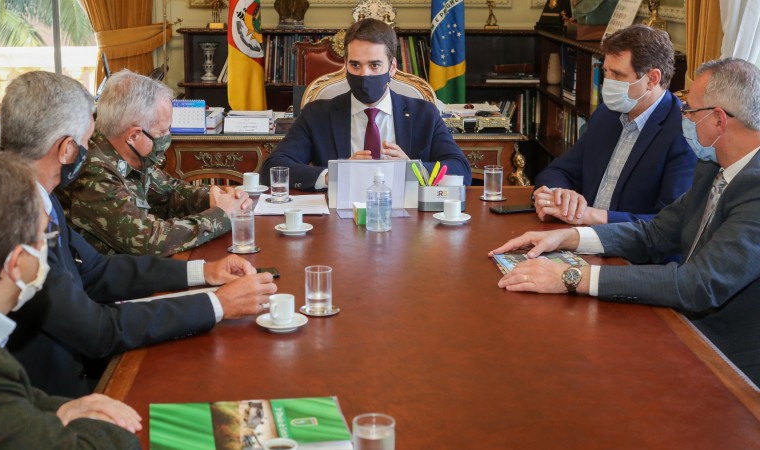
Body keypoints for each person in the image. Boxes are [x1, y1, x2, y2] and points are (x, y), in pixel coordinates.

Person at [0, 71, 277, 397]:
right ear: (65, 150)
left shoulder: (34, 191)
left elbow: (95, 270)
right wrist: (215, 305)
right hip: (52, 395)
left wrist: (205, 271)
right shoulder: (12, 216)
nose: (92, 148)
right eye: (88, 141)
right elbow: (98, 330)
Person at [490, 58, 760, 385]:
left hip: (728, 365)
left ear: (718, 120)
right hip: (674, 326)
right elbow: (655, 233)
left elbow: (699, 284)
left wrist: (573, 276)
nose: (683, 119)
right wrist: (569, 238)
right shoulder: (713, 167)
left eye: (690, 111)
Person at [0, 151, 140, 449]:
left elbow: (13, 398)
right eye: (43, 236)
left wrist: (62, 409)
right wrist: (109, 425)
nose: (49, 247)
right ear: (16, 262)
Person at [260, 18, 472, 191]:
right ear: (345, 65)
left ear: (392, 67)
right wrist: (335, 174)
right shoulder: (317, 114)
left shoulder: (424, 113)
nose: (364, 74)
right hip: (337, 223)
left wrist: (413, 170)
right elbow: (273, 167)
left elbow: (461, 169)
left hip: (410, 224)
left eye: (374, 65)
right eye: (355, 65)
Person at [57, 70, 251, 257]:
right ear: (134, 135)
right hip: (114, 283)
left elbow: (168, 193)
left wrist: (213, 196)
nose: (168, 137)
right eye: (162, 132)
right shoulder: (92, 171)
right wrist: (221, 214)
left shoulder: (129, 152)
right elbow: (148, 240)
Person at [532, 25, 696, 225]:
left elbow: (669, 224)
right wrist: (559, 195)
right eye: (606, 72)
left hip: (631, 253)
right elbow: (557, 171)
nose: (607, 82)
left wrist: (590, 216)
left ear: (652, 79)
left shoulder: (684, 133)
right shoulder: (606, 114)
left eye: (617, 75)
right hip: (581, 238)